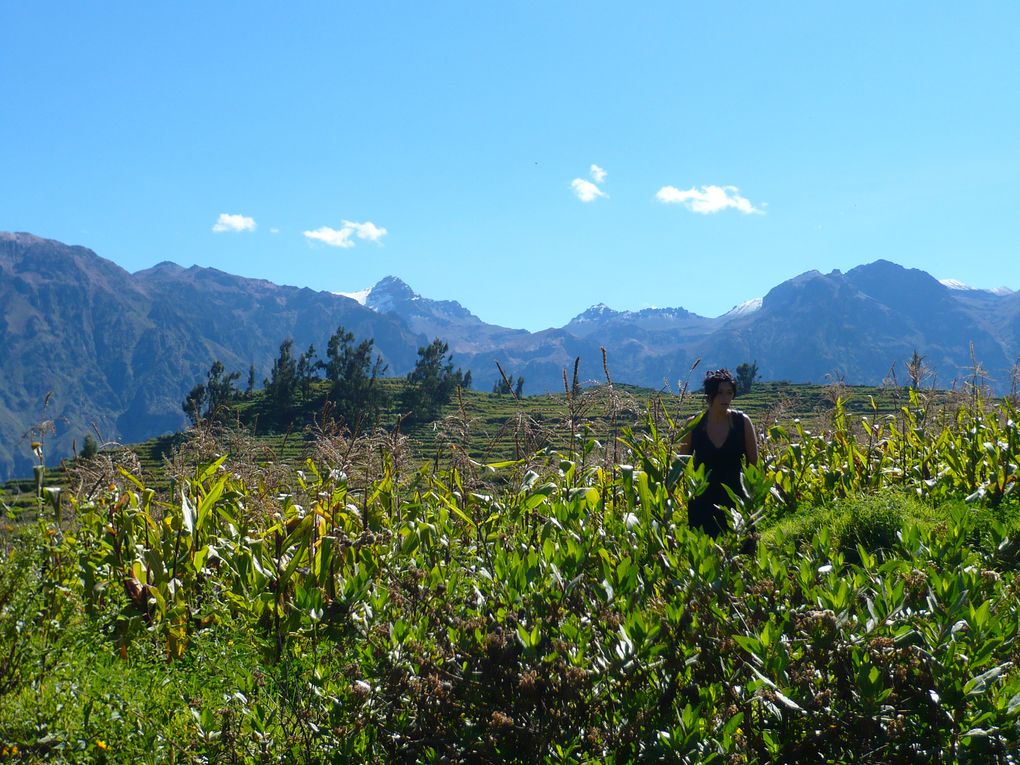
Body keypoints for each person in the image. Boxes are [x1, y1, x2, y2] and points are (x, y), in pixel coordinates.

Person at [679, 368, 759, 538]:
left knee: (741, 550)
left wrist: (750, 496)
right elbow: (681, 463)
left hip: (735, 497)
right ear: (710, 395)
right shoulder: (694, 425)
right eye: (720, 393)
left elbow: (753, 463)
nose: (725, 398)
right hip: (702, 500)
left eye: (729, 393)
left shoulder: (742, 422)